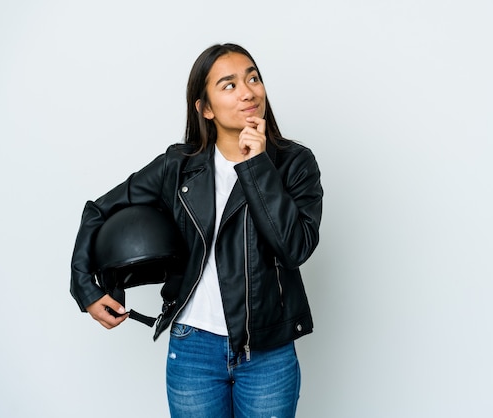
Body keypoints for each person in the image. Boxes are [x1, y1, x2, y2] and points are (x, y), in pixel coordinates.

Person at [70, 43, 323, 417]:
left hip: (268, 351)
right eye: (229, 85)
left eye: (253, 78)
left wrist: (257, 166)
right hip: (193, 350)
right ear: (205, 108)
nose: (248, 91)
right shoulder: (180, 166)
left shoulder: (294, 164)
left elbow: (295, 248)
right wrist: (86, 288)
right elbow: (99, 210)